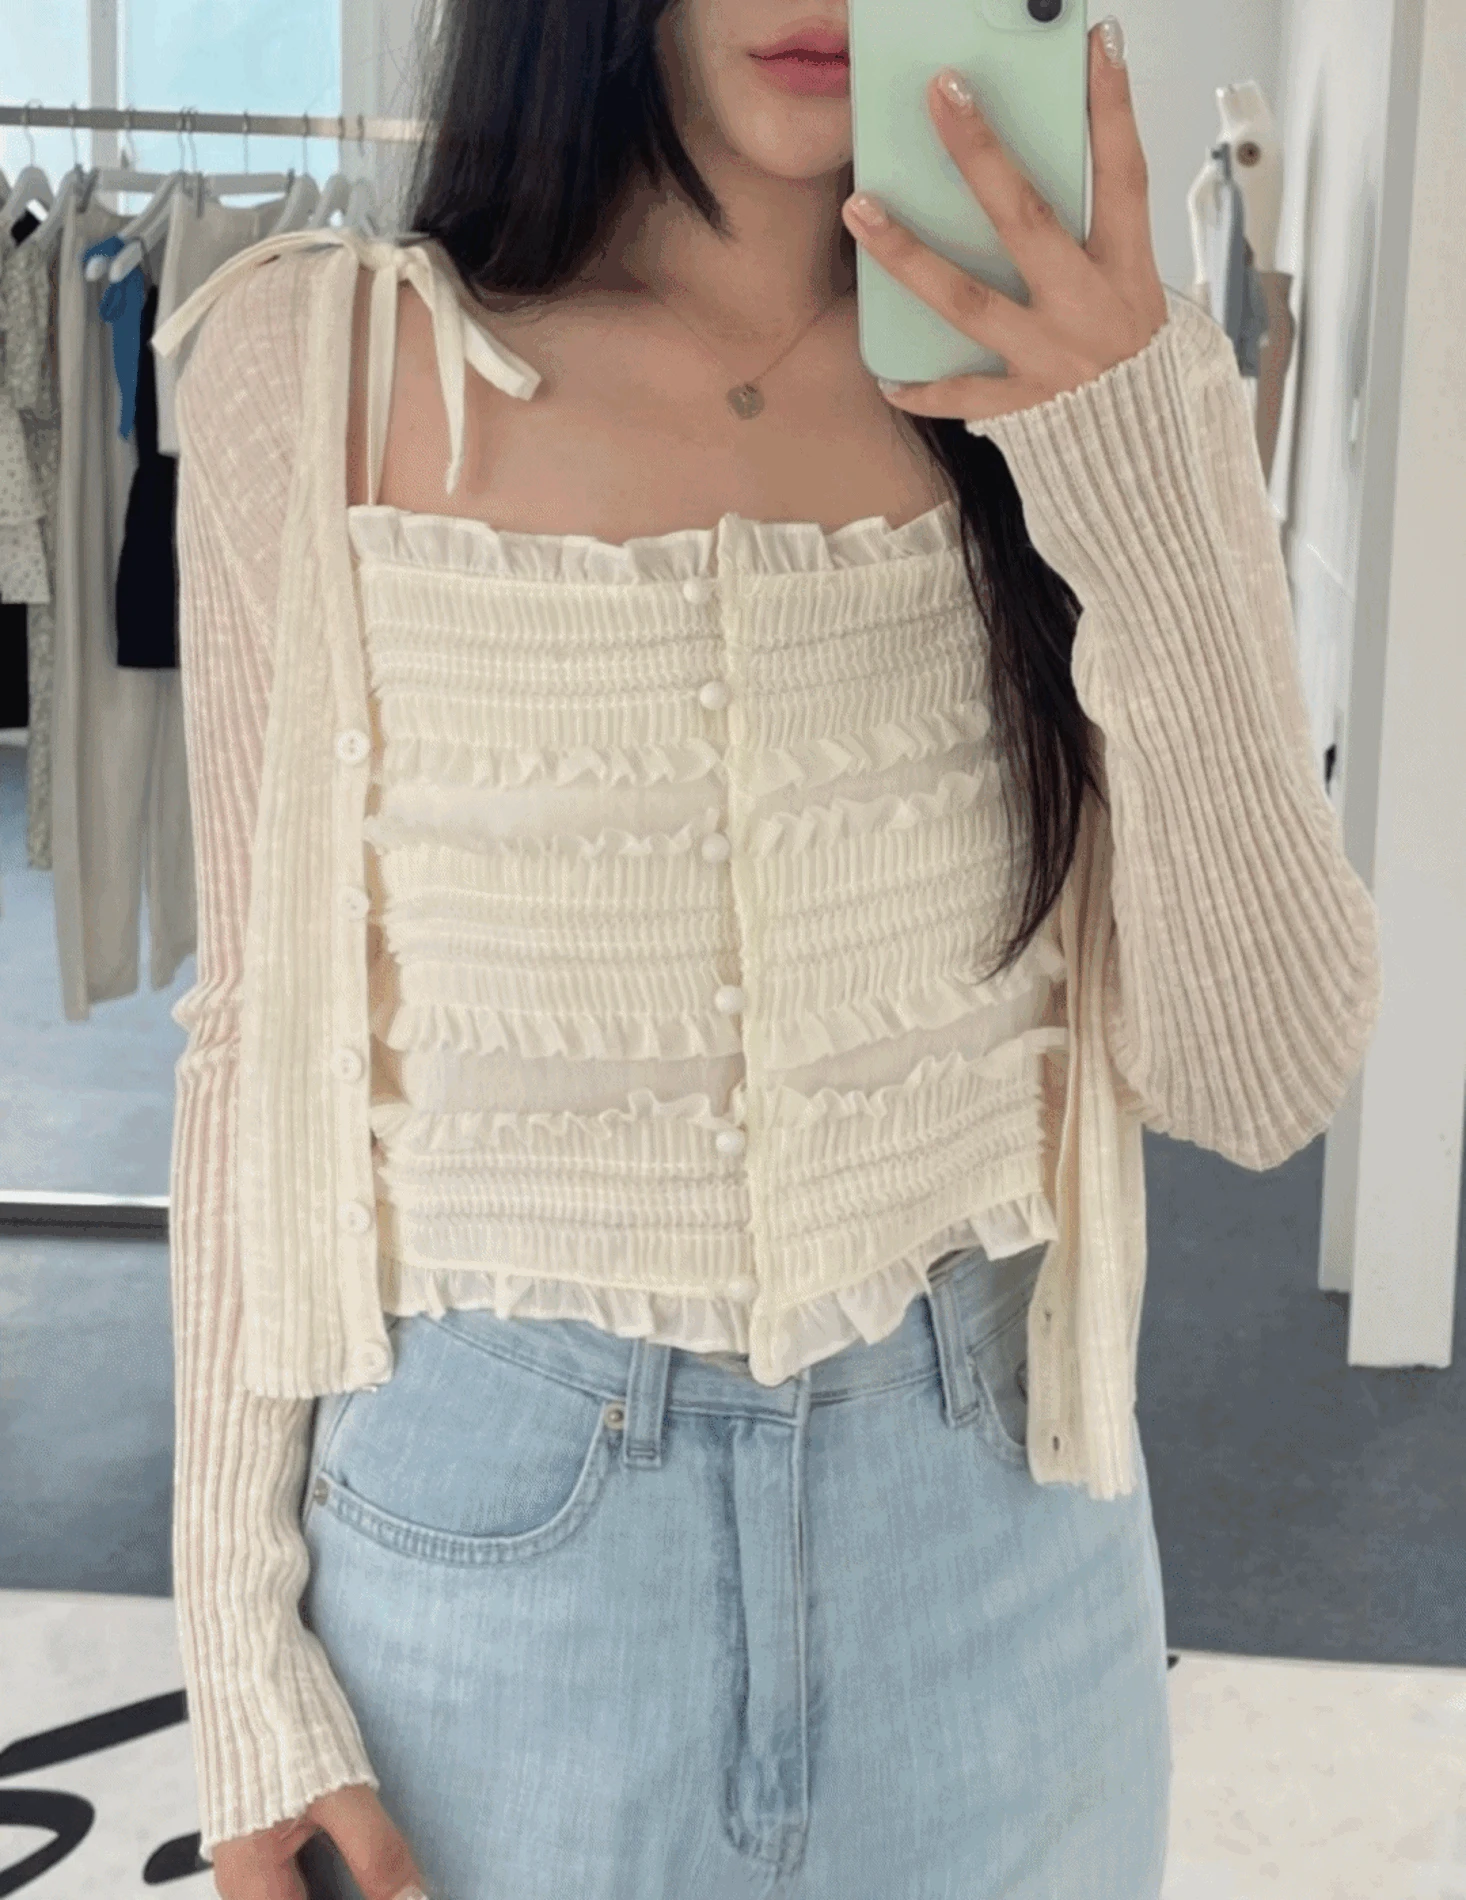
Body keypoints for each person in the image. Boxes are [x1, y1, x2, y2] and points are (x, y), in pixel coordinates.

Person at [156, 3, 1383, 1898]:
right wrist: (241, 1660)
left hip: (993, 1550)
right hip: (491, 1564)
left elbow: (1262, 1080)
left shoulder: (1117, 388)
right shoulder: (318, 361)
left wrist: (1126, 456)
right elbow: (251, 1039)